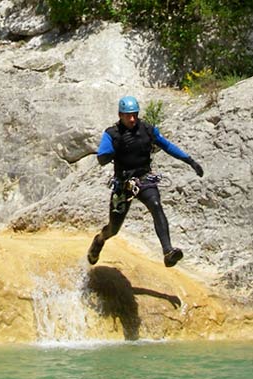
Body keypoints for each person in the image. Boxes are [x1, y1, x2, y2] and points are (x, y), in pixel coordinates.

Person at [87, 95, 204, 268]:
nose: (132, 118)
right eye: (128, 115)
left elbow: (167, 145)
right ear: (120, 115)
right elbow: (102, 157)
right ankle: (99, 240)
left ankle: (168, 251)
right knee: (114, 228)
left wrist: (189, 161)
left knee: (156, 204)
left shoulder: (147, 129)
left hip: (144, 178)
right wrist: (109, 153)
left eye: (134, 114)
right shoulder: (112, 134)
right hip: (123, 184)